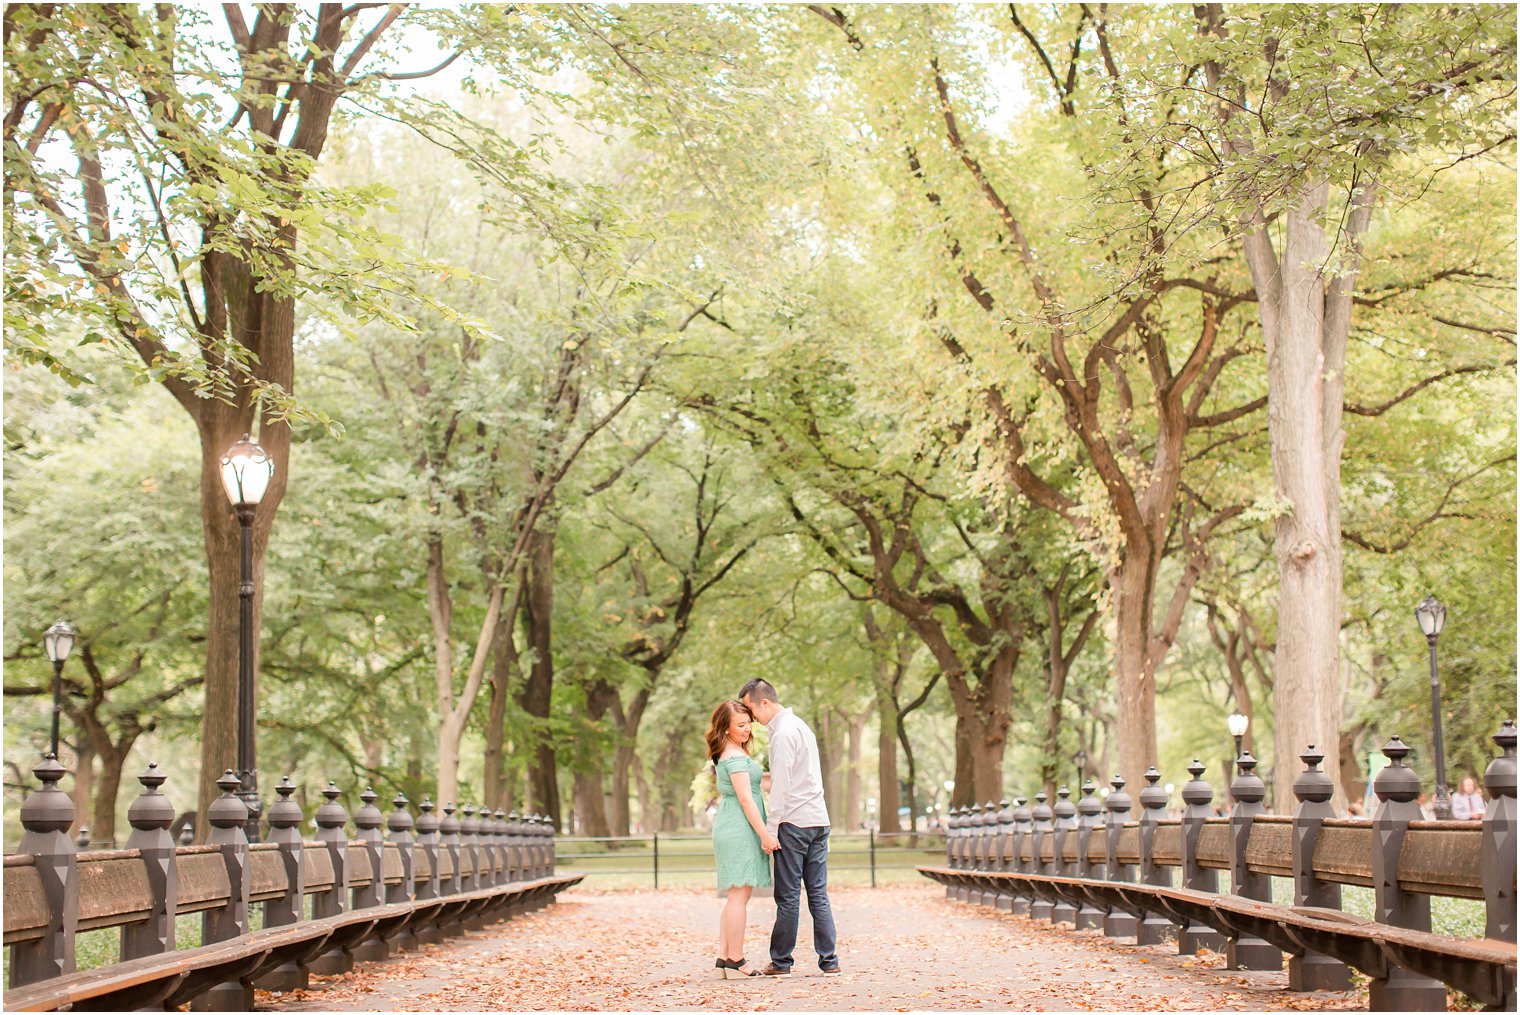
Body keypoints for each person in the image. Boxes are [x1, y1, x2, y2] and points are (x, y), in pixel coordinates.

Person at [738, 678, 839, 977]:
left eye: (751, 709)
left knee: (788, 896)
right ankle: (829, 960)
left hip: (794, 823)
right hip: (818, 819)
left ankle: (781, 961)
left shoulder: (782, 734)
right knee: (818, 893)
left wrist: (769, 830)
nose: (751, 718)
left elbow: (781, 788)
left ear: (765, 702)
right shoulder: (802, 727)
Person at [706, 700, 776, 979]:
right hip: (740, 827)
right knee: (739, 896)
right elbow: (746, 799)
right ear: (725, 728)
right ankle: (736, 959)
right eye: (740, 725)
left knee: (735, 895)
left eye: (749, 723)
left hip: (732, 823)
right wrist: (766, 836)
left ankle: (724, 958)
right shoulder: (734, 757)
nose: (747, 729)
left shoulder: (729, 752)